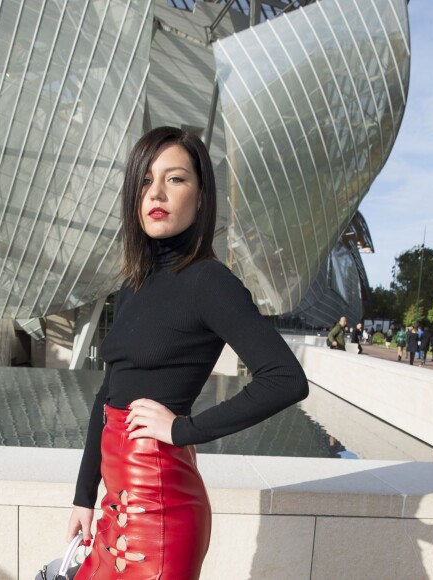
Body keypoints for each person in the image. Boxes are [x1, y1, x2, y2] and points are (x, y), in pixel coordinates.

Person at [66, 127, 309, 579]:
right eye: (145, 180)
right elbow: (108, 394)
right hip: (117, 502)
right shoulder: (133, 284)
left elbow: (286, 379)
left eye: (175, 179)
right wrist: (85, 495)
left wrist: (183, 429)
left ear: (200, 197)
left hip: (160, 510)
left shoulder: (208, 282)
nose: (156, 192)